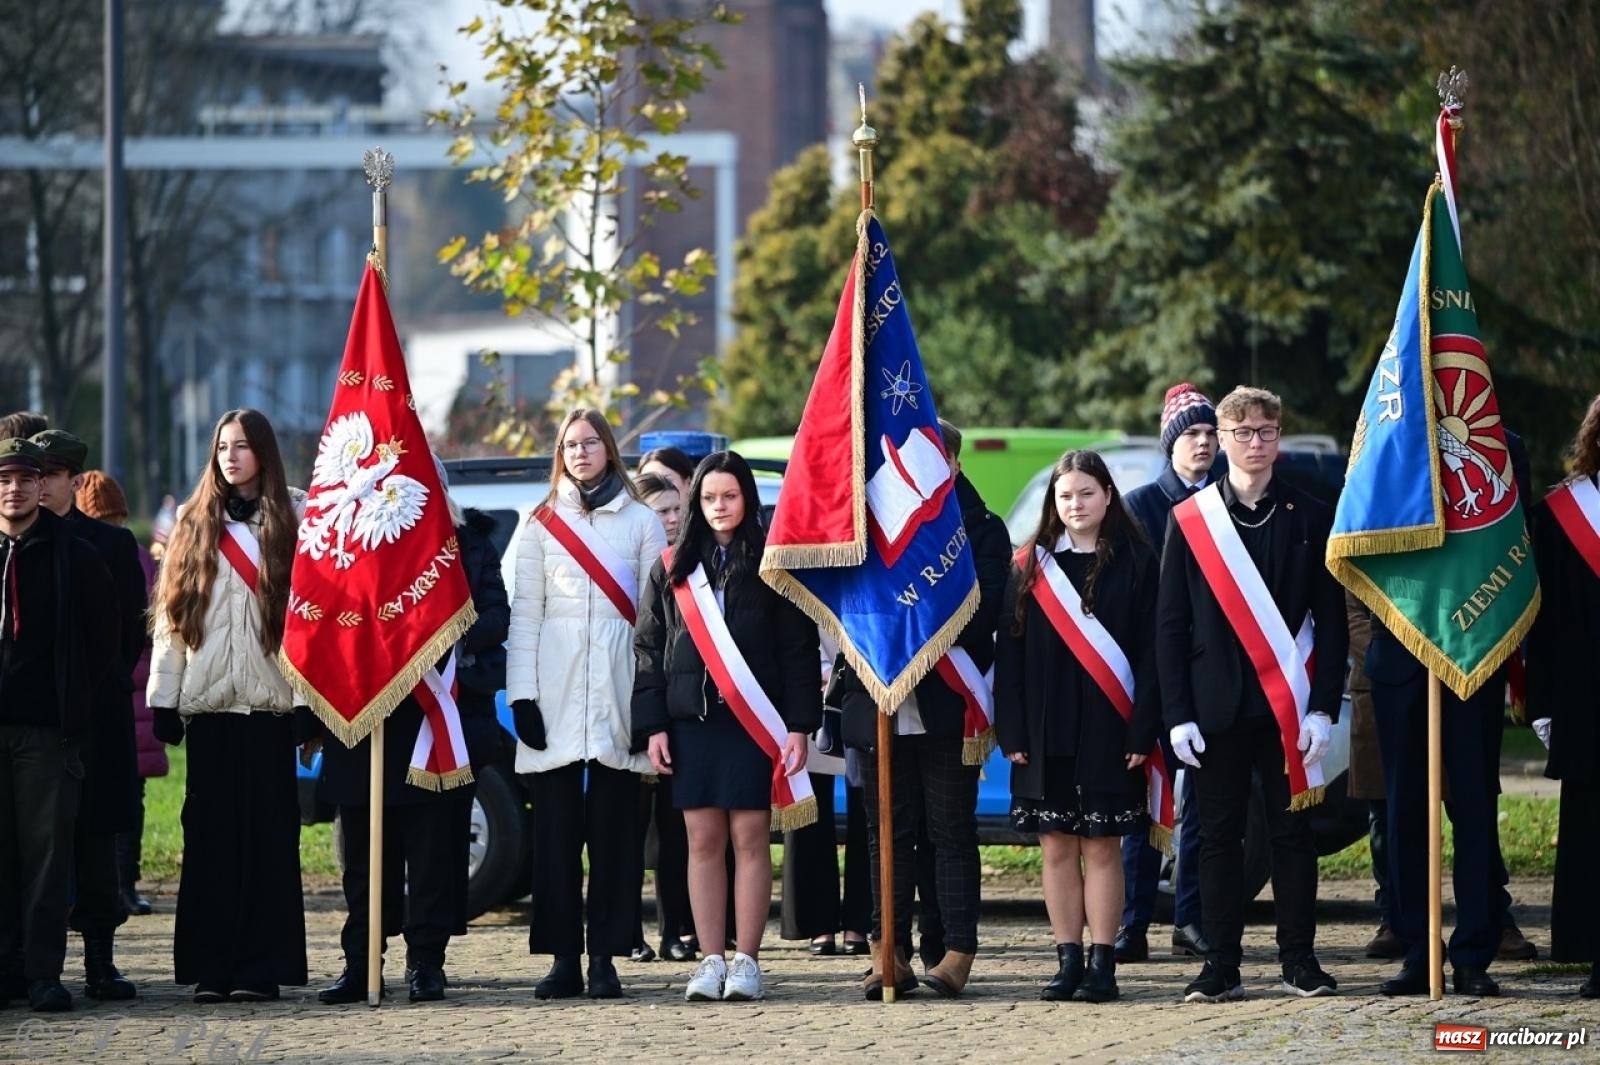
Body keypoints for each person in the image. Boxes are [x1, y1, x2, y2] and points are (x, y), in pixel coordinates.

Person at [1157, 386, 1347, 1003]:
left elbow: (1332, 624)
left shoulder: (1310, 514)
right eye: (1242, 433)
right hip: (1214, 709)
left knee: (1293, 836)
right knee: (1217, 839)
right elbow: (1170, 625)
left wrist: (1323, 706)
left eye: (1266, 431)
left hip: (1288, 708)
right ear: (1223, 439)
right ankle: (1221, 966)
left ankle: (1299, 961)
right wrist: (1178, 714)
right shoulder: (1191, 519)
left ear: (1278, 436)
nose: (1255, 443)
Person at [831, 419, 1011, 1000]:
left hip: (946, 698)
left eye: (937, 458)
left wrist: (913, 625)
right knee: (886, 832)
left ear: (953, 463)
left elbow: (986, 610)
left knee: (950, 830)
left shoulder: (982, 528)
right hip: (879, 697)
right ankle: (889, 949)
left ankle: (957, 949)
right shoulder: (870, 525)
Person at [318, 456, 509, 1004]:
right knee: (365, 858)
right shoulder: (353, 545)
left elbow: (497, 616)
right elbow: (327, 620)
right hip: (368, 721)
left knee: (435, 855)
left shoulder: (470, 544)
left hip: (440, 719)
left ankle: (427, 962)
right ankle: (362, 963)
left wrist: (439, 633)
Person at [633, 450, 820, 1002]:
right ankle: (710, 961)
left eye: (730, 496)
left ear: (746, 499)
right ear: (697, 501)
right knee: (703, 840)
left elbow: (797, 650)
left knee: (750, 838)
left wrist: (799, 725)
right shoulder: (670, 567)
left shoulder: (772, 565)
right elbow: (649, 651)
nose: (720, 506)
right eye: (710, 497)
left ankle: (747, 962)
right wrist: (653, 726)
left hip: (754, 725)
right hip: (693, 725)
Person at [147, 408, 310, 1002]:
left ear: (263, 452)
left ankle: (262, 967)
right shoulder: (193, 521)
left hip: (270, 707)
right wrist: (164, 698)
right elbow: (172, 618)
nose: (230, 457)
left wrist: (308, 700)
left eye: (241, 446)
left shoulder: (295, 518)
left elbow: (311, 621)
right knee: (210, 841)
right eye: (222, 447)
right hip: (210, 707)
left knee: (270, 840)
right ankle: (211, 966)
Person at [1367, 427, 1534, 999]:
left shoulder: (1497, 441)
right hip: (1400, 653)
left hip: (1473, 648)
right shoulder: (1384, 435)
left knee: (1474, 807)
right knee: (1405, 812)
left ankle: (1473, 953)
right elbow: (1355, 540)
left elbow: (1517, 546)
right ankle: (1420, 950)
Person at [507, 408, 666, 999]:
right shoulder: (540, 523)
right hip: (555, 691)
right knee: (554, 838)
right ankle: (562, 960)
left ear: (608, 449)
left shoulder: (643, 522)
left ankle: (605, 958)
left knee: (615, 838)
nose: (580, 452)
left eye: (590, 442)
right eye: (570, 444)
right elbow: (526, 615)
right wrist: (522, 695)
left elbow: (656, 624)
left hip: (619, 692)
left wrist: (647, 706)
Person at [996, 450, 1161, 1003]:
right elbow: (1010, 656)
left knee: (1103, 845)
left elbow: (1153, 654)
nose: (1076, 505)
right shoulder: (1029, 566)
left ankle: (1103, 964)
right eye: (1065, 496)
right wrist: (1012, 731)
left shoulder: (1138, 562)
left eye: (1086, 493)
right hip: (1045, 732)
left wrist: (1143, 729)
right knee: (1057, 847)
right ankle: (1067, 960)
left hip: (1112, 730)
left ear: (1108, 496)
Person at [0, 437, 118, 1012]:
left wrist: (73, 702)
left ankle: (43, 972)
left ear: (41, 485)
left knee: (47, 858)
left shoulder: (76, 555)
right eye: (4, 480)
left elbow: (105, 641)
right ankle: (5, 969)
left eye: (26, 479)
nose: (15, 490)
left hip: (48, 732)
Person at [30, 432, 146, 1002]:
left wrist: (102, 682)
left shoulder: (109, 543)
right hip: (36, 718)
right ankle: (33, 963)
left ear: (74, 481)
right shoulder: (20, 542)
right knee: (38, 842)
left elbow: (130, 629)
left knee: (97, 838)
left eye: (52, 475)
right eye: (35, 474)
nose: (41, 486)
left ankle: (100, 958)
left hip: (97, 714)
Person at [1116, 383, 1217, 963]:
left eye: (1210, 433)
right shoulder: (1140, 506)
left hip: (1208, 676)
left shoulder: (1227, 500)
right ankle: (1131, 924)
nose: (1202, 443)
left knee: (1201, 804)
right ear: (1170, 442)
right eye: (1191, 434)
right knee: (1143, 805)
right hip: (1150, 676)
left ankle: (1191, 918)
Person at [1527, 393, 1600, 998]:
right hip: (1585, 697)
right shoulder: (1559, 515)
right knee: (1590, 827)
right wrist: (1542, 701)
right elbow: (1542, 620)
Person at [73, 469, 168, 920]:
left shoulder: (93, 551)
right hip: (137, 686)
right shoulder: (139, 556)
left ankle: (115, 883)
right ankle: (125, 883)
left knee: (112, 795)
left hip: (121, 688)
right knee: (129, 794)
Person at [626, 470, 689, 963]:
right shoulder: (625, 560)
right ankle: (629, 930)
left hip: (675, 711)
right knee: (628, 831)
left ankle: (673, 932)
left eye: (676, 509)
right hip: (628, 706)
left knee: (674, 833)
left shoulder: (687, 564)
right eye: (660, 511)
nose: (670, 519)